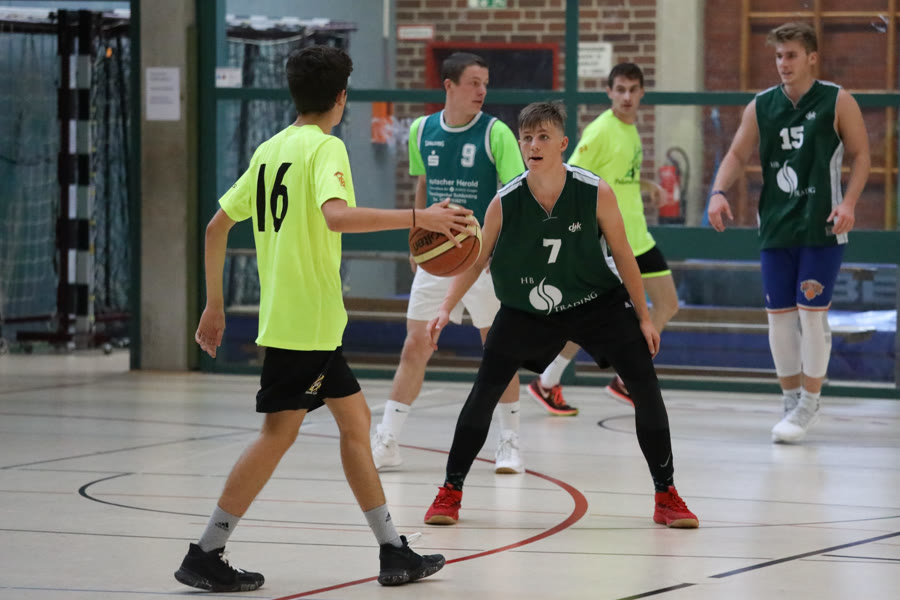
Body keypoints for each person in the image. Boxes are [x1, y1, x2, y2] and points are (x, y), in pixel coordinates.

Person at [173, 46, 472, 592]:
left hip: (307, 322)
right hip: (305, 322)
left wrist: (215, 304)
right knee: (276, 435)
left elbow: (217, 227)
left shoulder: (270, 149)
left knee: (356, 423)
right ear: (341, 97)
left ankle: (393, 551)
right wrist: (419, 216)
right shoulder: (325, 147)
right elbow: (336, 217)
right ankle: (206, 551)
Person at [423, 102, 699, 529]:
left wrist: (644, 317)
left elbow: (624, 254)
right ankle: (450, 491)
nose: (533, 145)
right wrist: (445, 307)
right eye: (527, 138)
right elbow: (476, 262)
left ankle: (667, 495)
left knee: (644, 384)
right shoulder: (505, 202)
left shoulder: (594, 191)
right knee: (484, 391)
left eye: (543, 137)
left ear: (562, 144)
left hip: (596, 302)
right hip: (527, 308)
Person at [708, 22, 870, 443]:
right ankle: (790, 400)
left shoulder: (837, 100)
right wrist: (718, 192)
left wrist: (849, 203)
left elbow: (861, 155)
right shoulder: (761, 106)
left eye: (792, 55)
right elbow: (736, 153)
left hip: (822, 225)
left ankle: (809, 403)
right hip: (777, 224)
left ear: (812, 58)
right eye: (779, 55)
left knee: (812, 316)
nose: (783, 63)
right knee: (779, 319)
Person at [371, 52, 527, 473]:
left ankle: (510, 442)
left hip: (482, 258)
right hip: (438, 258)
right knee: (415, 346)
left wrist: (500, 249)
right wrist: (417, 240)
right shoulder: (422, 131)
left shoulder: (496, 133)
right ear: (449, 86)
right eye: (474, 82)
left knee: (498, 351)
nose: (482, 91)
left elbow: (516, 195)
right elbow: (423, 185)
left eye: (485, 83)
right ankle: (388, 440)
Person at [527, 63, 678, 415]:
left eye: (633, 90)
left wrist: (646, 185)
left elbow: (616, 177)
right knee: (588, 320)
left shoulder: (631, 129)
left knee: (667, 303)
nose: (626, 96)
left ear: (641, 93)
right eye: (620, 89)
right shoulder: (600, 131)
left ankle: (619, 380)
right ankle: (549, 382)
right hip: (609, 241)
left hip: (638, 237)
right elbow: (570, 175)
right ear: (609, 92)